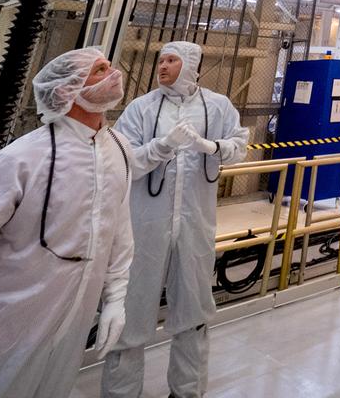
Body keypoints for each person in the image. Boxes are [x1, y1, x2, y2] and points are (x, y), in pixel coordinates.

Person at [0, 47, 133, 398]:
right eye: (100, 70)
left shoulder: (119, 148)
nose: (114, 72)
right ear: (65, 91)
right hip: (7, 319)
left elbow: (119, 230)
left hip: (74, 319)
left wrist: (116, 297)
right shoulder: (20, 159)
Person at [102, 40, 248, 398]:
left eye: (171, 60)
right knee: (129, 316)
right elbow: (122, 161)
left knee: (194, 317)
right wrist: (161, 147)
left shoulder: (217, 106)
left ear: (191, 65)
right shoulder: (141, 108)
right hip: (144, 229)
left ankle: (186, 392)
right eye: (160, 60)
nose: (162, 66)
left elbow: (240, 147)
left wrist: (212, 147)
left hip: (195, 229)